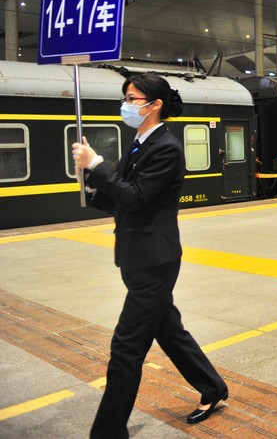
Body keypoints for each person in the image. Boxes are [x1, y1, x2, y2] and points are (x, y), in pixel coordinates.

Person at [71, 74, 228, 438]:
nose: (126, 104)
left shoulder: (167, 147)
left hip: (154, 261)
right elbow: (121, 200)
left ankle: (108, 431)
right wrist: (91, 187)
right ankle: (213, 387)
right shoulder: (140, 143)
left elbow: (137, 197)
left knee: (126, 347)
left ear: (154, 104)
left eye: (132, 97)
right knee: (167, 329)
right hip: (136, 256)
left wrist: (98, 165)